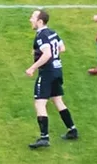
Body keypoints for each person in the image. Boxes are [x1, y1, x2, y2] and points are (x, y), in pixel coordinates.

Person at [25, 9, 78, 149]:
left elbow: (47, 54)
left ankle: (44, 138)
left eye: (33, 18)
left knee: (40, 103)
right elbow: (62, 48)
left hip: (47, 72)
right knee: (57, 99)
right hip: (57, 70)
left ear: (40, 21)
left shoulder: (41, 36)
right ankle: (72, 130)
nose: (30, 19)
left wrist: (33, 67)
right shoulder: (53, 32)